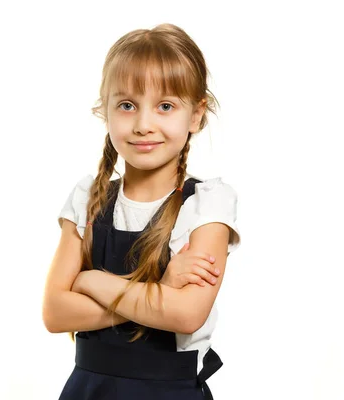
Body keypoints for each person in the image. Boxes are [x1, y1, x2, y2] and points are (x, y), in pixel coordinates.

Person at [42, 22, 242, 400]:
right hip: (88, 390)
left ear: (196, 115)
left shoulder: (207, 205)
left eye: (165, 106)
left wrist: (92, 282)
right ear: (106, 110)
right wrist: (157, 292)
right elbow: (55, 312)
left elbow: (185, 314)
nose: (143, 124)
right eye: (127, 105)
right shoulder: (89, 199)